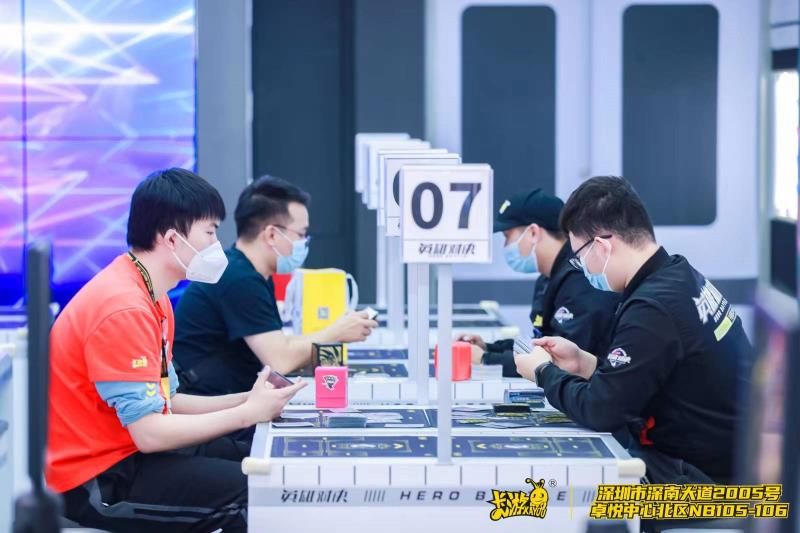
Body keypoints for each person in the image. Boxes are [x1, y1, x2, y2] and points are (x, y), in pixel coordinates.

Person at [45, 168, 306, 532]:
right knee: (260, 495)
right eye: (210, 232)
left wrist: (247, 400)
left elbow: (169, 400)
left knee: (249, 453)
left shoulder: (153, 296)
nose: (216, 244)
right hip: (98, 478)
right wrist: (247, 413)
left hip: (129, 453)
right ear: (171, 238)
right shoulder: (124, 307)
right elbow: (150, 433)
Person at [516, 176, 751, 485]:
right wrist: (584, 364)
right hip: (727, 461)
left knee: (566, 494)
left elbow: (601, 410)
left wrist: (543, 372)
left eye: (579, 258)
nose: (582, 269)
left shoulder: (653, 307)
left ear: (602, 246)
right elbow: (642, 376)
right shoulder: (678, 274)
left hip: (703, 483)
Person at [174, 175, 377, 396]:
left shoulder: (250, 272)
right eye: (301, 235)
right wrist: (337, 331)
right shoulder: (238, 278)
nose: (304, 243)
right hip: (209, 405)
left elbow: (280, 344)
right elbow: (280, 359)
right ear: (272, 234)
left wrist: (337, 331)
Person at [457, 188, 619, 377]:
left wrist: (486, 359)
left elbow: (563, 362)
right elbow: (541, 343)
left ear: (533, 232)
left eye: (507, 236)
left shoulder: (583, 279)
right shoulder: (548, 279)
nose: (505, 246)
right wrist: (490, 348)